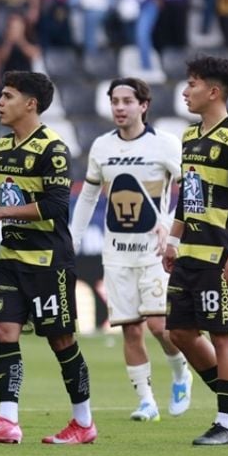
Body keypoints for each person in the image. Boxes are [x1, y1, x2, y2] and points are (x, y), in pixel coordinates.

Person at [0, 71, 96, 445]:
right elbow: (2, 194)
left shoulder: (53, 149)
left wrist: (1, 214)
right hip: (11, 257)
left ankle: (83, 423)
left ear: (30, 104)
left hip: (48, 260)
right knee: (3, 332)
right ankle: (7, 420)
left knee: (61, 341)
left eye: (8, 96)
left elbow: (54, 207)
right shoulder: (3, 146)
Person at [70, 78, 191, 421]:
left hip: (154, 253)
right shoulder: (101, 147)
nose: (120, 108)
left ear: (144, 105)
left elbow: (188, 189)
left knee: (158, 326)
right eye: (115, 101)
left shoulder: (166, 145)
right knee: (130, 328)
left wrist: (169, 224)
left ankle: (181, 374)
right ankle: (146, 401)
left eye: (127, 101)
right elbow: (89, 196)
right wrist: (72, 239)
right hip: (116, 253)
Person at [164, 56, 228, 445]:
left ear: (214, 91)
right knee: (181, 332)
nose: (185, 91)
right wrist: (172, 239)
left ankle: (225, 422)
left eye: (192, 84)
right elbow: (188, 194)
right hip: (189, 251)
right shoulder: (189, 137)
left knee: (222, 336)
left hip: (221, 254)